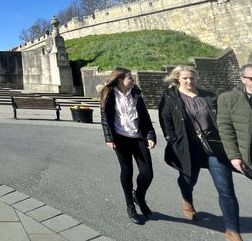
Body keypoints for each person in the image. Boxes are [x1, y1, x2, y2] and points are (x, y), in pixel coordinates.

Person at [158, 66, 241, 241]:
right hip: (189, 148)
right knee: (188, 180)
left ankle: (232, 230)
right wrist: (172, 140)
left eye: (192, 78)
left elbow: (225, 118)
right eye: (185, 78)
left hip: (214, 148)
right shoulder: (170, 97)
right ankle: (187, 198)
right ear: (177, 79)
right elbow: (166, 120)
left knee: (226, 188)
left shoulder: (209, 96)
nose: (189, 81)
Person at [100, 68, 156, 224]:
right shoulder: (109, 94)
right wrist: (109, 137)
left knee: (148, 174)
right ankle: (130, 205)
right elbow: (105, 118)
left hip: (138, 138)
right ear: (120, 80)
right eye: (130, 78)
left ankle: (138, 196)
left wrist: (150, 135)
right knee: (127, 171)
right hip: (120, 139)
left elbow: (145, 116)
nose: (133, 80)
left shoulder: (136, 94)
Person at [217, 64, 252, 178]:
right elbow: (225, 129)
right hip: (249, 155)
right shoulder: (228, 98)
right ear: (242, 79)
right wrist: (234, 156)